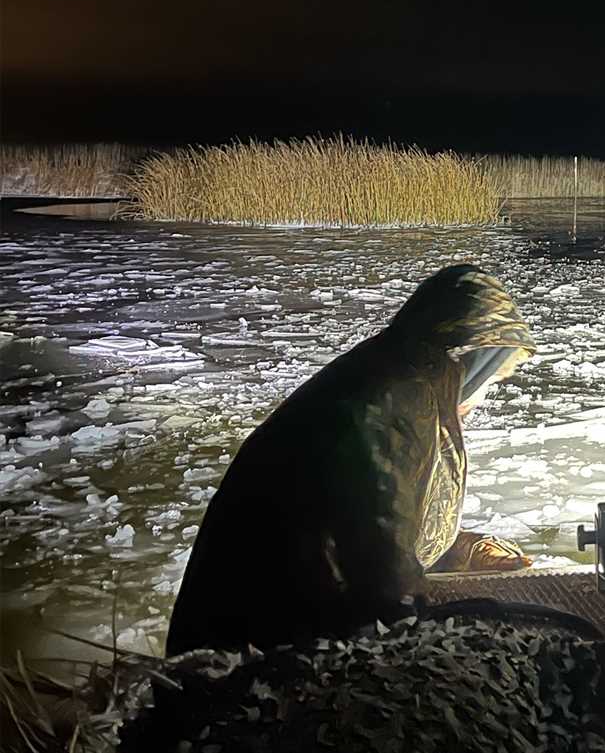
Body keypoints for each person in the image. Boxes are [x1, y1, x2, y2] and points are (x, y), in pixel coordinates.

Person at [166, 265, 536, 655]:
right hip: (253, 648)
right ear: (473, 361)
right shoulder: (392, 398)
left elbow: (377, 525)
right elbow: (380, 568)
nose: (484, 399)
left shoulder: (391, 376)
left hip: (267, 620)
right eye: (493, 381)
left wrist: (465, 551)